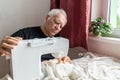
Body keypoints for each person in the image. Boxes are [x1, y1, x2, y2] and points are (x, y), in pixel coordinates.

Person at [0, 9, 67, 61]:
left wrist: (64, 59)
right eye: (57, 22)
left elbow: (61, 58)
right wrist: (1, 48)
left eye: (61, 27)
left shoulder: (58, 41)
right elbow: (4, 52)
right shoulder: (24, 34)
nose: (58, 28)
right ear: (47, 18)